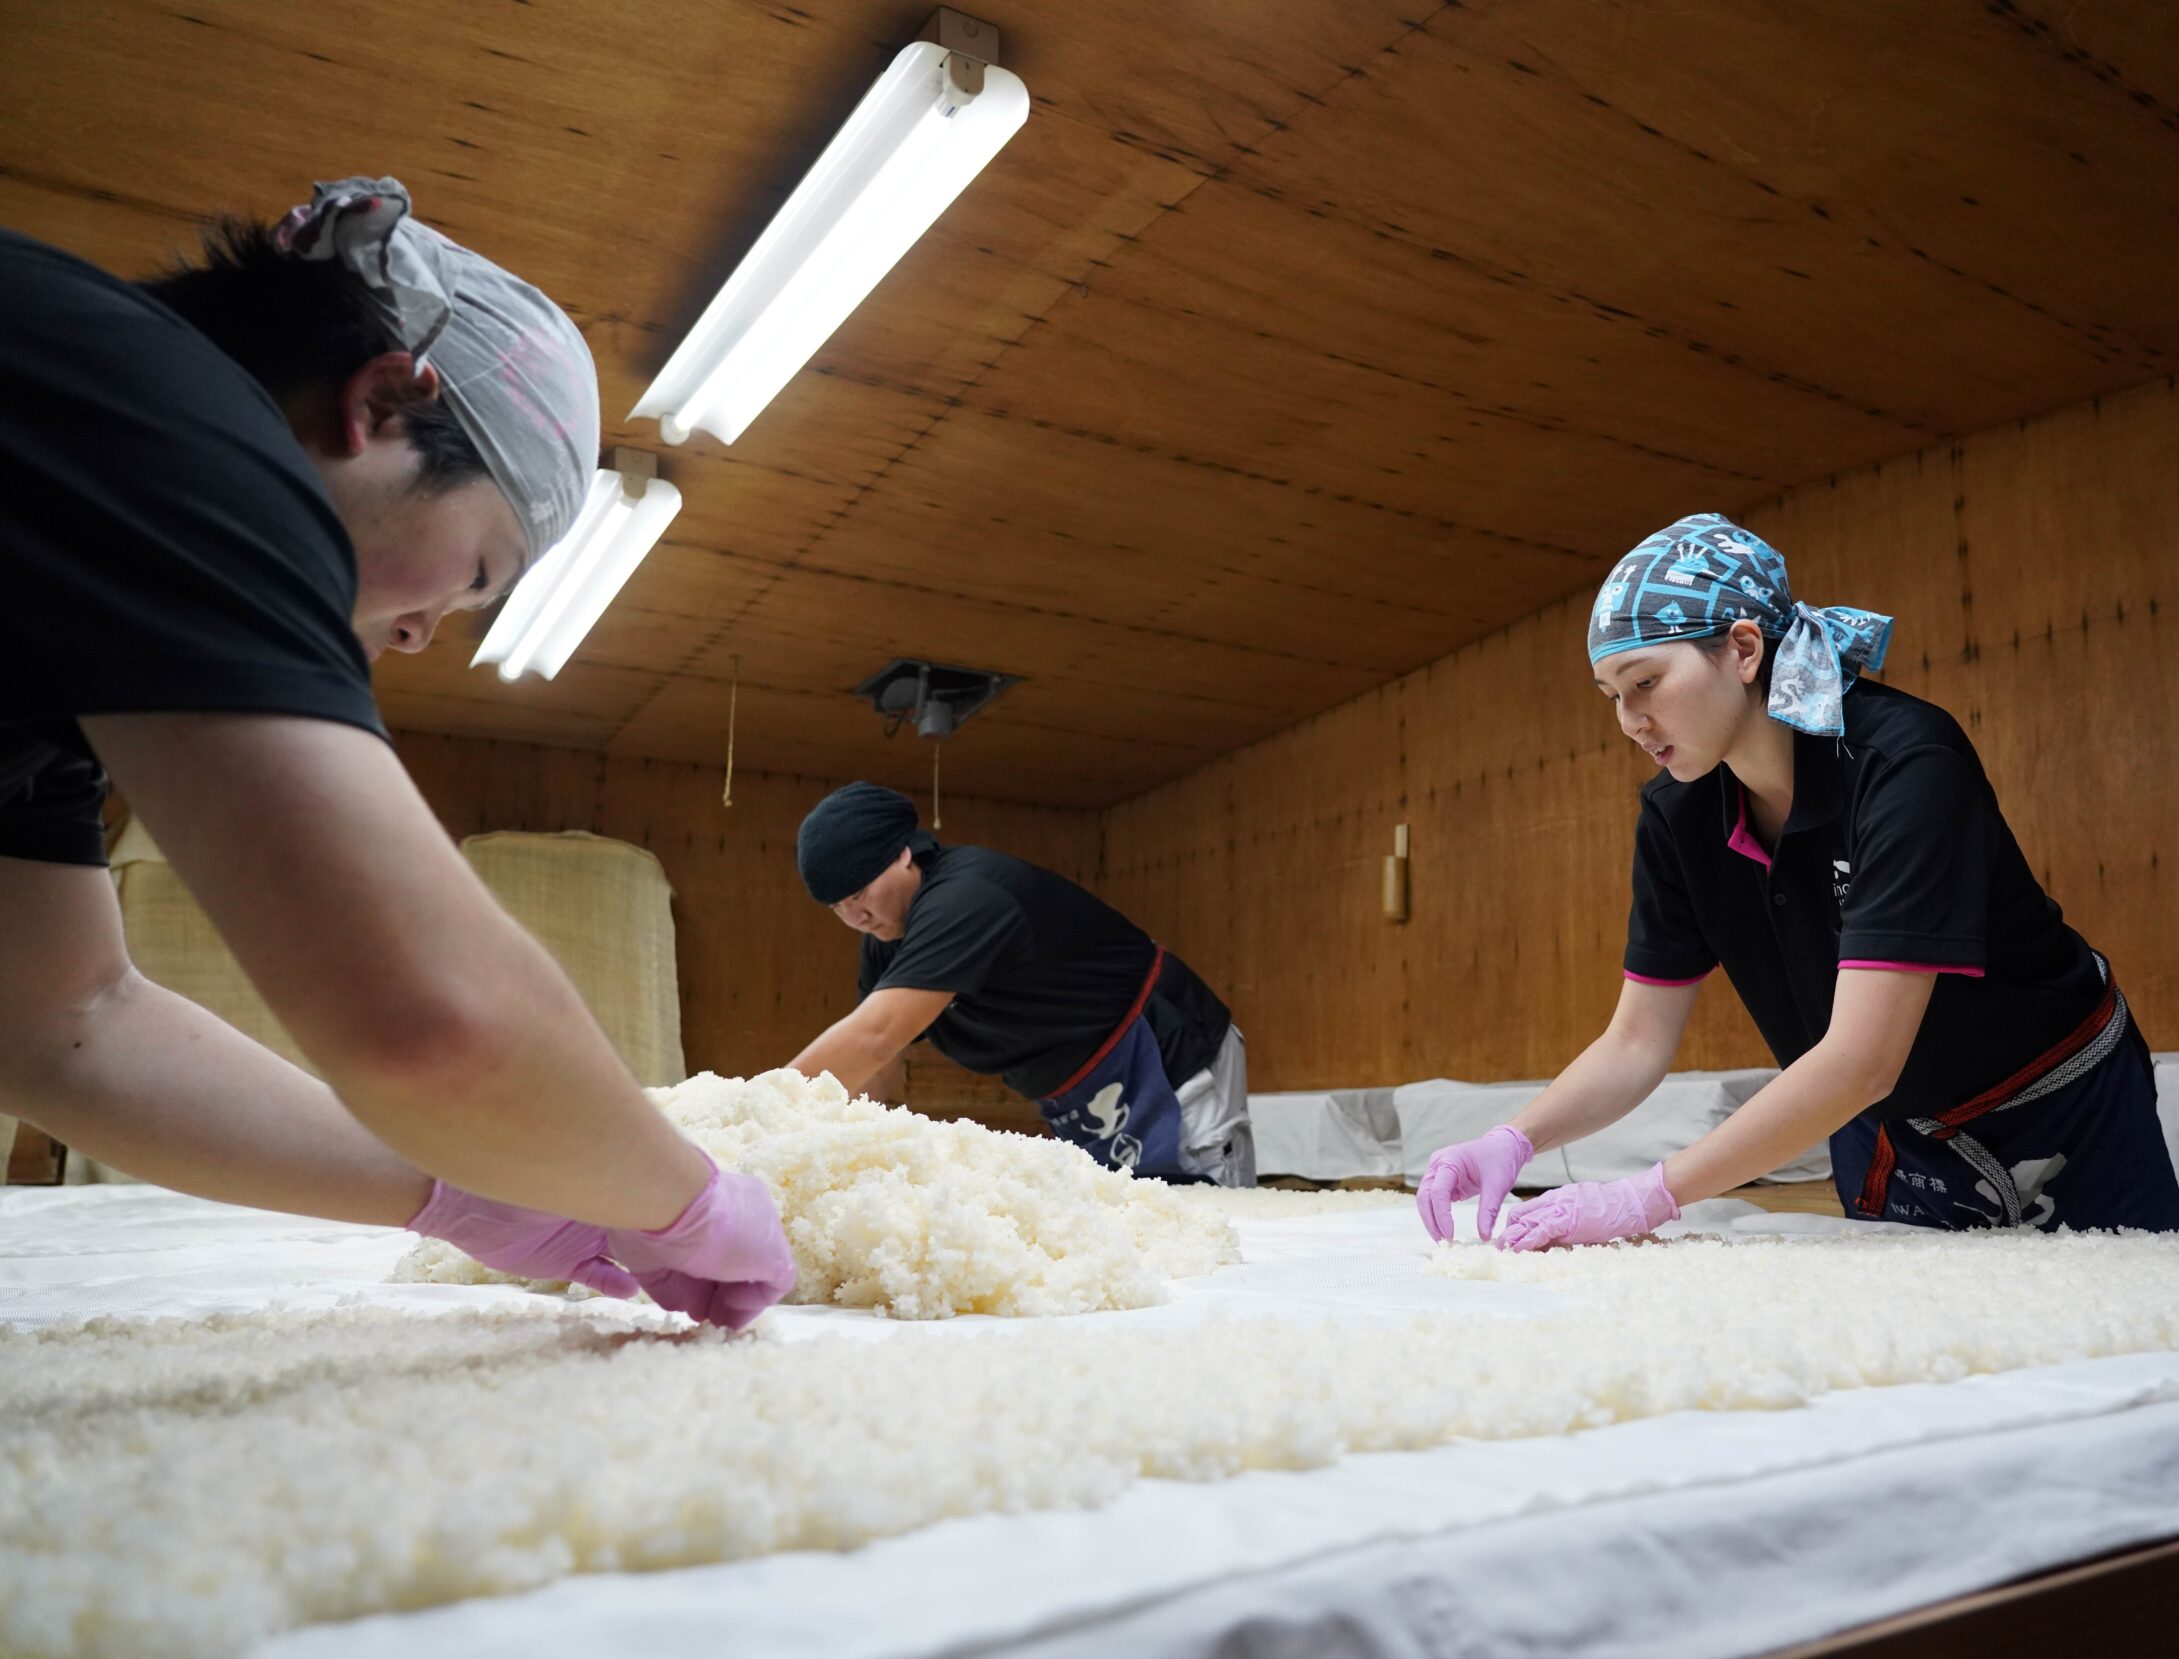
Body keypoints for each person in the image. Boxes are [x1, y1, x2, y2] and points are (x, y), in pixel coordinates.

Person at [0, 178, 794, 1327]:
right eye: (474, 576)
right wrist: (684, 1198)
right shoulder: (172, 420)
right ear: (378, 404)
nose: (422, 636)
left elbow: (67, 1026)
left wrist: (461, 1193)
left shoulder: (58, 649)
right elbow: (435, 1017)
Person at [1415, 513, 2179, 1252]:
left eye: (1645, 680)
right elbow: (1636, 1039)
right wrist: (1514, 1139)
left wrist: (1647, 1195)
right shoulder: (1678, 814)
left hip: (2056, 1102)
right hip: (1878, 1122)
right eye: (1612, 696)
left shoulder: (1903, 766)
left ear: (1744, 649)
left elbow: (1861, 1056)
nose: (1628, 719)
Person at [790, 783, 1255, 1184]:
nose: (855, 918)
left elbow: (874, 1036)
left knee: (1210, 1227)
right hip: (1081, 1097)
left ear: (904, 854)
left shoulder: (968, 898)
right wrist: (841, 1141)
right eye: (836, 908)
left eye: (859, 894)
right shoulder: (885, 940)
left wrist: (759, 1114)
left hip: (1166, 1055)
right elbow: (877, 1065)